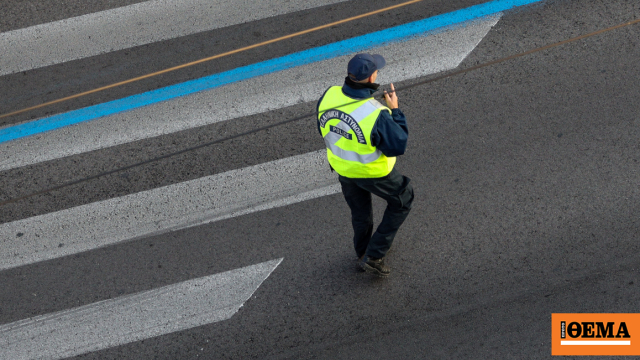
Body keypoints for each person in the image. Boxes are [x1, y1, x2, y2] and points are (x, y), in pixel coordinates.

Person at [316, 53, 414, 277]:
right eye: (376, 71)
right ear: (370, 79)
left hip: (342, 168)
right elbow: (397, 145)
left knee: (360, 213)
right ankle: (375, 254)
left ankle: (362, 252)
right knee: (403, 199)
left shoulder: (328, 95)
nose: (377, 73)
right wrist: (395, 111)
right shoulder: (376, 113)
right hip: (372, 172)